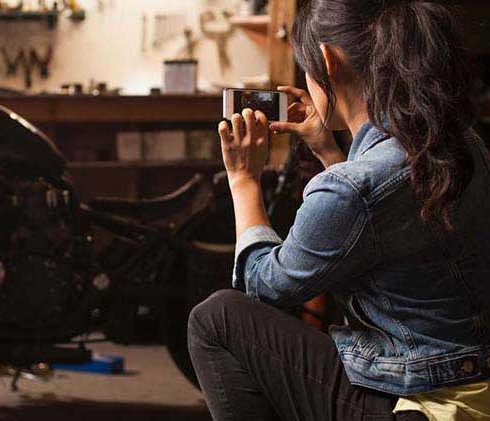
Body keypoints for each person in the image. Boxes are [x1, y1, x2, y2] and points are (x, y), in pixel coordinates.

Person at [187, 0, 490, 420]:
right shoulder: (461, 143)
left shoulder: (352, 188)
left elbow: (267, 285)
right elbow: (378, 213)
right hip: (472, 387)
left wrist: (243, 180)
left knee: (215, 319)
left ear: (328, 61)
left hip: (422, 403)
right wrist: (330, 151)